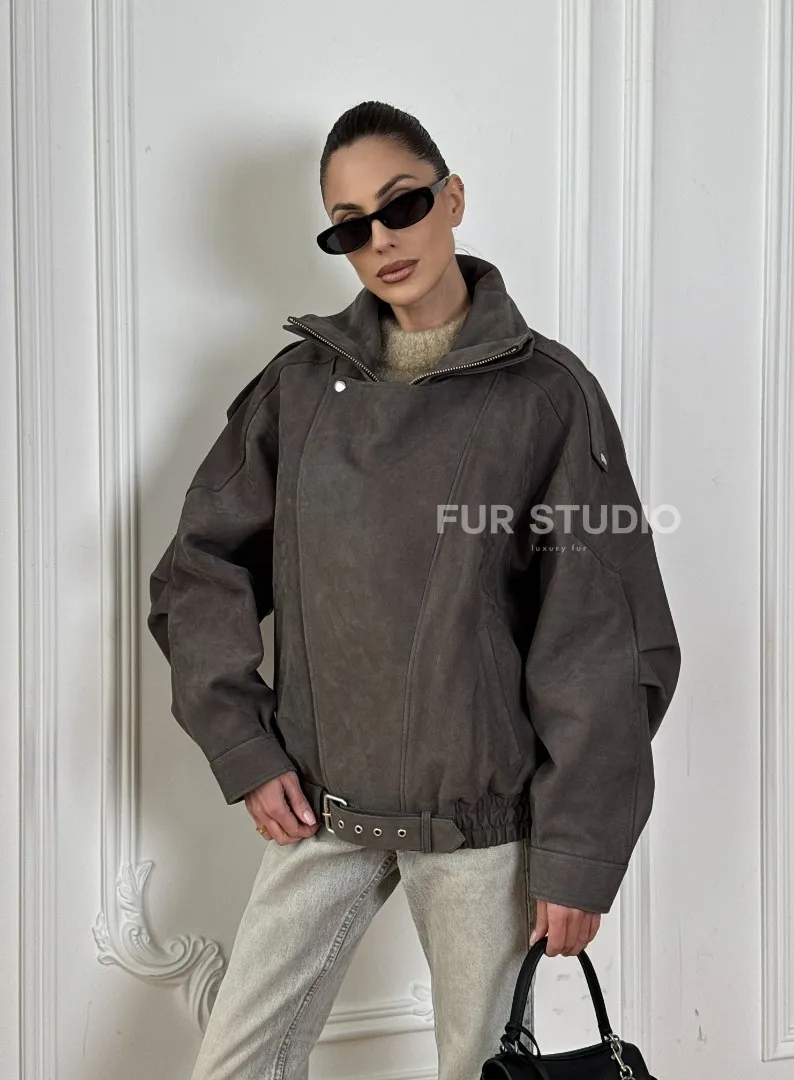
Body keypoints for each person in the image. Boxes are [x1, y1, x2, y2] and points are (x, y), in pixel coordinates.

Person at [147, 100, 681, 1080]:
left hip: (480, 824)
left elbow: (600, 638)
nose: (382, 240)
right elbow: (199, 570)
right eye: (349, 227)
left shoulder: (545, 396)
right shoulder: (297, 390)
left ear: (452, 198)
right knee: (235, 1064)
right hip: (318, 805)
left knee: (482, 1069)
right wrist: (242, 744)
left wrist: (577, 853)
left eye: (401, 205)